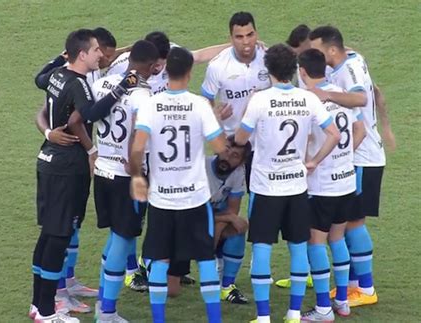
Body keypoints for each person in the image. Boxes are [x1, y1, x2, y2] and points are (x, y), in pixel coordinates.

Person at [235, 44, 340, 323]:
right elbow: (334, 133)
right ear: (294, 69)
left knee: (261, 248)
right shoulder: (308, 99)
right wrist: (314, 161)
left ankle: (264, 316)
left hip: (266, 188)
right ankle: (294, 312)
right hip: (296, 187)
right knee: (298, 248)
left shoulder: (259, 100)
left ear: (268, 69)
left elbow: (241, 139)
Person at [130, 46, 226, 323]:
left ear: (166, 70)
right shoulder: (199, 105)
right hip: (194, 199)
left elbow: (137, 149)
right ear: (189, 71)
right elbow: (220, 147)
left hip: (161, 198)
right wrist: (216, 121)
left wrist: (138, 177)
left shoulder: (150, 104)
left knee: (159, 259)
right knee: (206, 259)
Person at [309, 26, 395, 307]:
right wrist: (386, 126)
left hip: (363, 158)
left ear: (332, 50)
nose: (315, 56)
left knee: (354, 223)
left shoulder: (349, 69)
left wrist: (328, 96)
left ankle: (366, 288)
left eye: (318, 50)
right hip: (361, 155)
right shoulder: (351, 59)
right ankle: (354, 286)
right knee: (345, 225)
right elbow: (376, 91)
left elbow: (361, 97)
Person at [30, 28, 103, 323]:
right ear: (82, 55)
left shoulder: (57, 74)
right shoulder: (78, 84)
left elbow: (39, 78)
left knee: (49, 234)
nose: (100, 54)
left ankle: (38, 305)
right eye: (96, 49)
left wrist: (58, 58)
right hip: (66, 168)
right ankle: (47, 312)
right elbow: (88, 114)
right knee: (58, 236)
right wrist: (122, 89)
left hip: (47, 159)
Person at [90, 40, 159, 323]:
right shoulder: (144, 97)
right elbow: (137, 141)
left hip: (102, 171)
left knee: (115, 237)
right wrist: (138, 175)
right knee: (124, 237)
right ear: (153, 67)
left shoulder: (102, 85)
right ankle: (107, 312)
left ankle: (102, 303)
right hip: (126, 178)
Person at [297, 49, 366, 321]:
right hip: (346, 182)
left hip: (321, 185)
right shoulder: (340, 94)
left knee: (316, 242)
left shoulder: (308, 101)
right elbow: (360, 130)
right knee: (337, 239)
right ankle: (342, 301)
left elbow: (302, 142)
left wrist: (311, 161)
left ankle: (324, 307)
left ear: (302, 72)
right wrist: (344, 158)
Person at [166, 135, 251, 304]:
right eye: (227, 151)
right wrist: (222, 221)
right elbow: (193, 213)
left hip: (209, 223)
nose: (227, 157)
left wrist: (222, 221)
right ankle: (151, 264)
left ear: (241, 162)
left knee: (237, 229)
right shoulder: (201, 167)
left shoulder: (238, 173)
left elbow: (232, 211)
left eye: (235, 156)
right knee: (171, 291)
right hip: (184, 225)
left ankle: (226, 286)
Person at [201, 11, 271, 193]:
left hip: (265, 141)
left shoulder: (269, 59)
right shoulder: (218, 66)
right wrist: (215, 118)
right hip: (233, 145)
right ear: (231, 38)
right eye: (239, 37)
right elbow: (207, 98)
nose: (246, 41)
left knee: (265, 196)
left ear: (256, 33)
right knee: (228, 195)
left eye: (250, 35)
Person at [107, 31, 231, 95]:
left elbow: (199, 56)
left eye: (162, 63)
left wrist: (234, 46)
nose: (159, 68)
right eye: (155, 65)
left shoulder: (174, 55)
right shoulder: (121, 66)